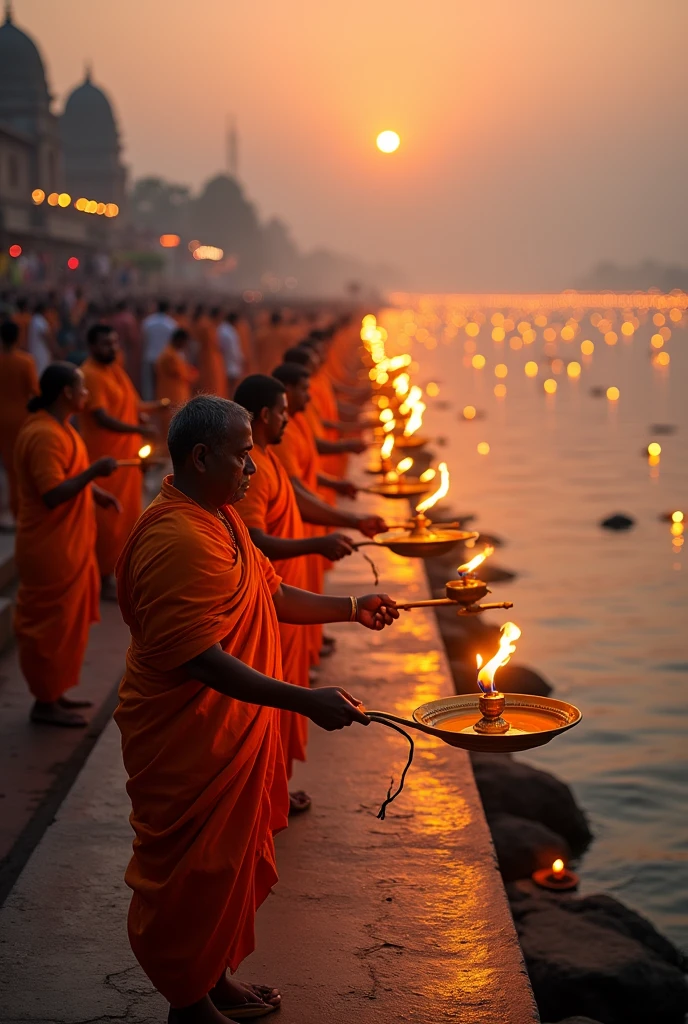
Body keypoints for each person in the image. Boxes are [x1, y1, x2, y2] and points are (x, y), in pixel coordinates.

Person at [114, 395, 397, 1023]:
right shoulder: (179, 536)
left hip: (230, 727)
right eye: (244, 455)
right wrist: (304, 700)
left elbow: (269, 591)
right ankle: (189, 1004)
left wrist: (353, 608)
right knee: (196, 868)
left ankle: (211, 977)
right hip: (190, 735)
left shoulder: (220, 519)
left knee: (229, 861)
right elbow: (201, 660)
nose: (253, 468)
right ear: (201, 456)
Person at [234, 374, 356, 807]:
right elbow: (256, 537)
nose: (246, 468)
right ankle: (268, 791)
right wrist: (317, 542)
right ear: (265, 415)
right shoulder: (245, 482)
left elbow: (297, 490)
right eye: (283, 410)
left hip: (282, 588)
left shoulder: (264, 459)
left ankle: (275, 786)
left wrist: (350, 520)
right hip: (269, 600)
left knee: (283, 695)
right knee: (273, 701)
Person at [13, 362, 120, 727]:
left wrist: (96, 493)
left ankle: (54, 693)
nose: (87, 395)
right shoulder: (45, 434)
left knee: (65, 625)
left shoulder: (61, 429)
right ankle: (44, 703)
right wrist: (94, 472)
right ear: (67, 394)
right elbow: (51, 494)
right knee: (50, 627)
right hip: (49, 548)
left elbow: (68, 478)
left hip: (66, 543)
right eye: (82, 389)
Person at [271, 362, 386, 662]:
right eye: (303, 390)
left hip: (300, 531)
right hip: (289, 544)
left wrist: (337, 484)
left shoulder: (288, 428)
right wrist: (347, 522)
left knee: (303, 604)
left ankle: (309, 651)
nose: (308, 398)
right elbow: (293, 494)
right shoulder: (271, 449)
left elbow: (306, 462)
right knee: (282, 630)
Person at [80, 323, 156, 594]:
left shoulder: (115, 370)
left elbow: (130, 405)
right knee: (108, 521)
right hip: (105, 460)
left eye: (114, 343)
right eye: (105, 344)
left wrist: (148, 412)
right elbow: (101, 417)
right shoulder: (90, 374)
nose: (111, 348)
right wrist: (139, 428)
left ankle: (116, 574)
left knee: (127, 517)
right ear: (91, 346)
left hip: (127, 459)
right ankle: (101, 579)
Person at [0, 321, 39, 520]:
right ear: (18, 338)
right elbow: (35, 391)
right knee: (16, 469)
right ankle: (17, 512)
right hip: (19, 421)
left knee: (7, 468)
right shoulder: (25, 362)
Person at [141, 300, 177, 400]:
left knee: (150, 385)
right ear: (168, 309)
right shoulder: (171, 324)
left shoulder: (148, 322)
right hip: (164, 359)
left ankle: (150, 404)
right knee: (162, 384)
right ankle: (162, 404)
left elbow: (144, 339)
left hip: (150, 356)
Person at [195, 306, 227, 397]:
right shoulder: (207, 327)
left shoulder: (212, 327)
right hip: (209, 362)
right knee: (211, 389)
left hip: (212, 361)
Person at [217, 311, 244, 396]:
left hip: (224, 362)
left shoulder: (221, 328)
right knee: (231, 388)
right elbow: (233, 349)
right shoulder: (229, 332)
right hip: (230, 363)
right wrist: (240, 359)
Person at [27, 301, 56, 376]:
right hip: (40, 353)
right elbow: (46, 336)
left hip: (37, 352)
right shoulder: (40, 320)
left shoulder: (35, 319)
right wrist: (55, 350)